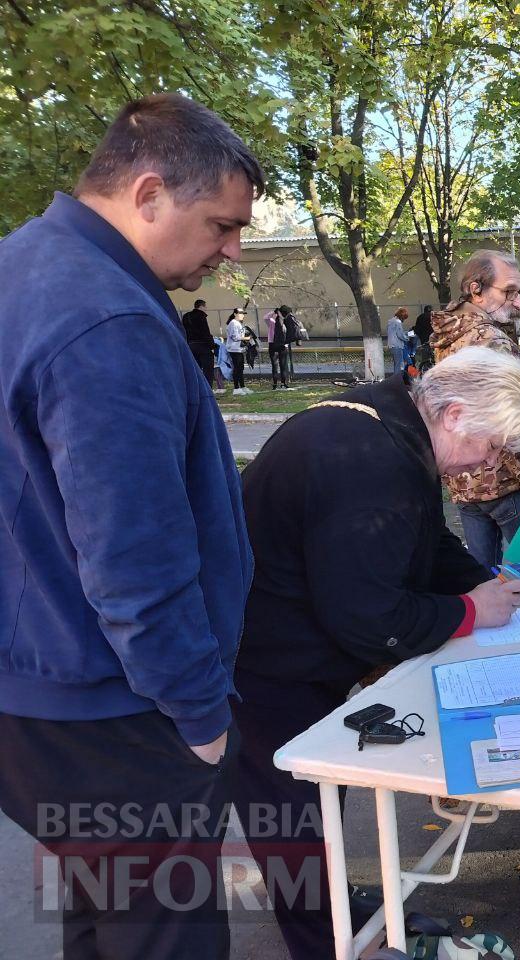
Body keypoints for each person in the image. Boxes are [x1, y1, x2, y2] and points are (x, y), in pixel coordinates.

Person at [0, 93, 263, 960]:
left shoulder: (22, 269)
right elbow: (134, 558)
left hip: (39, 692)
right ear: (149, 193)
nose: (230, 251)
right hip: (112, 704)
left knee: (103, 911)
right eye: (222, 225)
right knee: (163, 933)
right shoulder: (106, 316)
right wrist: (199, 716)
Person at [232, 347, 520, 958]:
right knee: (294, 815)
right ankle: (325, 941)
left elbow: (421, 541)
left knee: (315, 810)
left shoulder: (389, 425)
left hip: (288, 649)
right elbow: (369, 619)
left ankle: (334, 910)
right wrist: (472, 610)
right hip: (266, 663)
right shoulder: (371, 463)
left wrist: (484, 580)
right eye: (491, 444)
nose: (489, 463)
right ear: (453, 413)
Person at [430, 249, 520, 568]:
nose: (518, 303)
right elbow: (511, 427)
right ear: (475, 289)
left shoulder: (449, 335)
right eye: (509, 292)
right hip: (506, 483)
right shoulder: (491, 342)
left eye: (519, 293)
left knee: (481, 574)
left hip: (465, 486)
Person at [182, 297, 217, 385]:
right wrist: (212, 345)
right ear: (201, 306)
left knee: (195, 369)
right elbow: (205, 331)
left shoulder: (186, 316)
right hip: (202, 345)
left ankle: (196, 387)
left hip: (190, 344)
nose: (206, 309)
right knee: (208, 369)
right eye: (205, 307)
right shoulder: (201, 315)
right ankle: (208, 388)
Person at [268, 303, 291, 388]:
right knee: (279, 365)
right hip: (278, 344)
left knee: (278, 365)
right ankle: (279, 383)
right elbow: (266, 317)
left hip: (277, 344)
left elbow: (266, 317)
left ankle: (279, 383)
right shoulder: (278, 321)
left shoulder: (274, 321)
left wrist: (274, 312)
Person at [226, 307, 249, 393]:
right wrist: (246, 338)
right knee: (237, 368)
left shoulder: (238, 323)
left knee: (240, 368)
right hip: (234, 349)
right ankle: (236, 388)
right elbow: (235, 337)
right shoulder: (233, 323)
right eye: (240, 313)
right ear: (235, 314)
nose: (242, 315)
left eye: (243, 313)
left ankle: (242, 386)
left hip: (239, 349)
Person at [387, 305, 410, 373]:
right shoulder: (397, 322)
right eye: (404, 318)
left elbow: (395, 332)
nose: (404, 320)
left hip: (391, 345)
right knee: (399, 364)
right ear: (402, 316)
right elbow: (400, 335)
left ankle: (395, 378)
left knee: (396, 363)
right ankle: (398, 380)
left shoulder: (391, 321)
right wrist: (407, 338)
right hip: (397, 345)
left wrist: (405, 333)